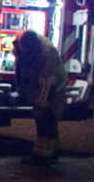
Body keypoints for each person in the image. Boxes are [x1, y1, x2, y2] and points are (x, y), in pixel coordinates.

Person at [13, 29, 67, 166]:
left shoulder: (46, 56)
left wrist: (39, 105)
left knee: (46, 117)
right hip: (40, 80)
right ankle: (53, 152)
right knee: (47, 117)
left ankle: (41, 156)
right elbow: (22, 64)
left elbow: (46, 85)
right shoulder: (21, 39)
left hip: (54, 84)